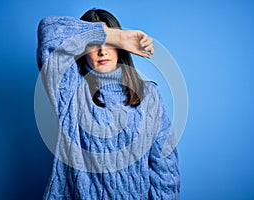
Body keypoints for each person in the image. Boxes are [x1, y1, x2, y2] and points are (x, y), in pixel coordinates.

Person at [37, 8, 180, 200]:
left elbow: (164, 166)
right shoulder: (68, 87)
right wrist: (116, 37)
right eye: (94, 43)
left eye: (109, 44)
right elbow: (48, 33)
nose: (103, 50)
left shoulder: (148, 95)